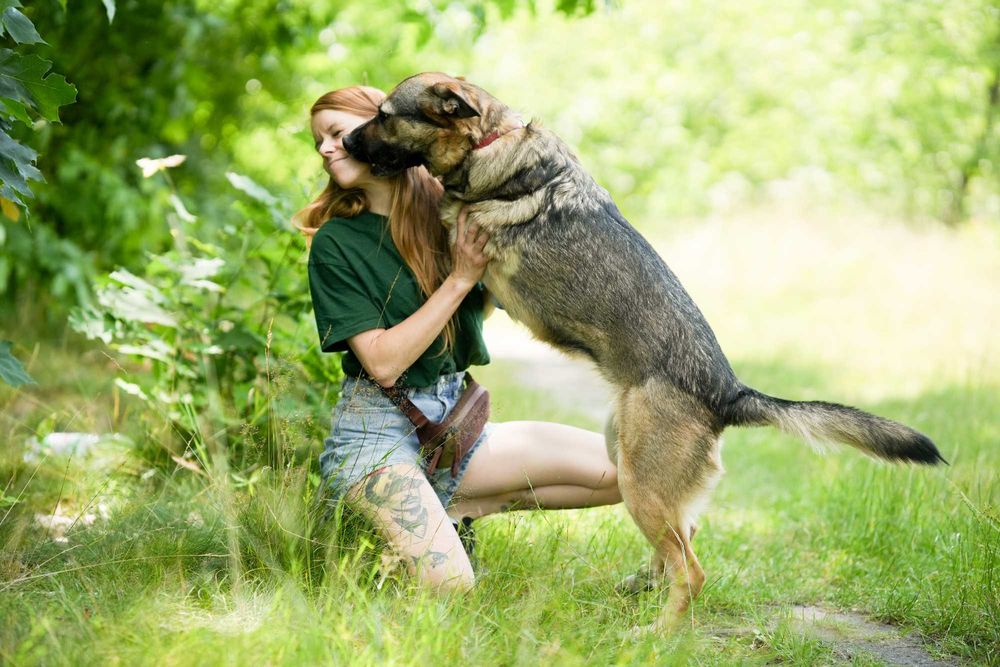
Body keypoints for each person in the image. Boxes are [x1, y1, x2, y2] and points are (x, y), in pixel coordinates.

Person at [295, 85, 620, 593]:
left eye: (338, 134)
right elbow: (382, 363)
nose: (325, 149)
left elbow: (493, 308)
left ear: (386, 134)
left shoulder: (451, 213)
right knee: (451, 587)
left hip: (452, 431)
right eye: (319, 141)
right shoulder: (337, 242)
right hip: (376, 436)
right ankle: (394, 521)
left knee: (624, 473)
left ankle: (452, 504)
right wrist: (460, 279)